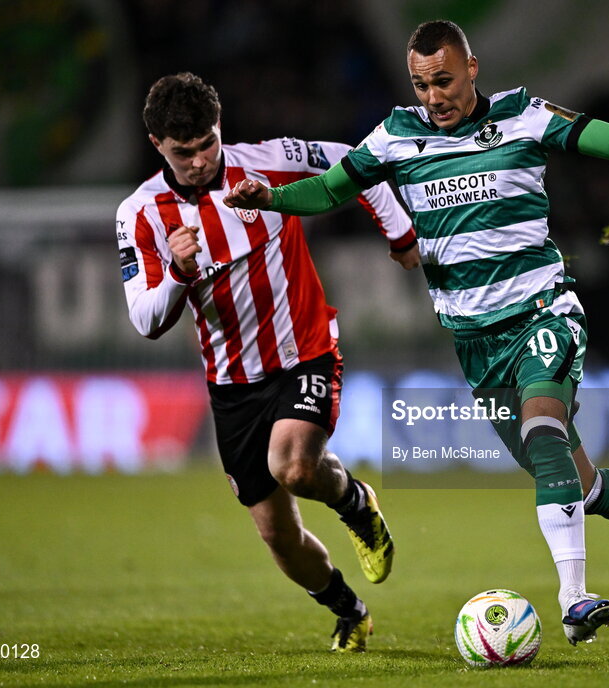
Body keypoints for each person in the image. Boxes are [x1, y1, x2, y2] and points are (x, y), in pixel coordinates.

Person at [224, 21, 609, 646]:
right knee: (578, 488)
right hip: (475, 343)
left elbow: (608, 141)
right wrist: (271, 200)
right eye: (422, 85)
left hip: (541, 310)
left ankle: (574, 600)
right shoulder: (396, 136)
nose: (434, 97)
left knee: (543, 428)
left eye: (444, 81)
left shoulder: (524, 116)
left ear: (472, 68)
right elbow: (329, 191)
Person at [116, 72, 414, 652]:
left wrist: (399, 234)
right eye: (185, 151)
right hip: (231, 385)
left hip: (305, 351)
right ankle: (348, 609)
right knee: (278, 535)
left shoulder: (272, 161)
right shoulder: (140, 215)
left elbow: (359, 162)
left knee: (295, 467)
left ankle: (356, 504)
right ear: (157, 144)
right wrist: (178, 271)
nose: (201, 160)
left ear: (219, 125)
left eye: (208, 143)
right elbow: (146, 320)